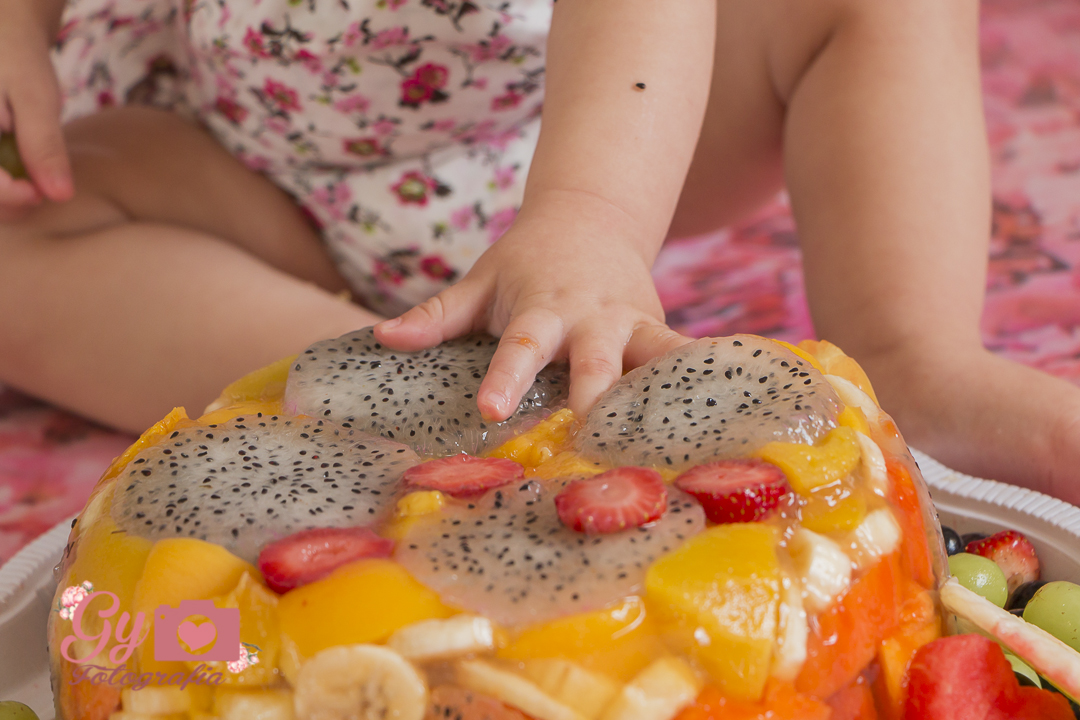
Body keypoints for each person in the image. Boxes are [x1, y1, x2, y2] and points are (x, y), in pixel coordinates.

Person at [0, 0, 1077, 504]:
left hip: (580, 129)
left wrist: (591, 215)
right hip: (254, 158)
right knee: (14, 238)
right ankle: (414, 383)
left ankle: (911, 358)